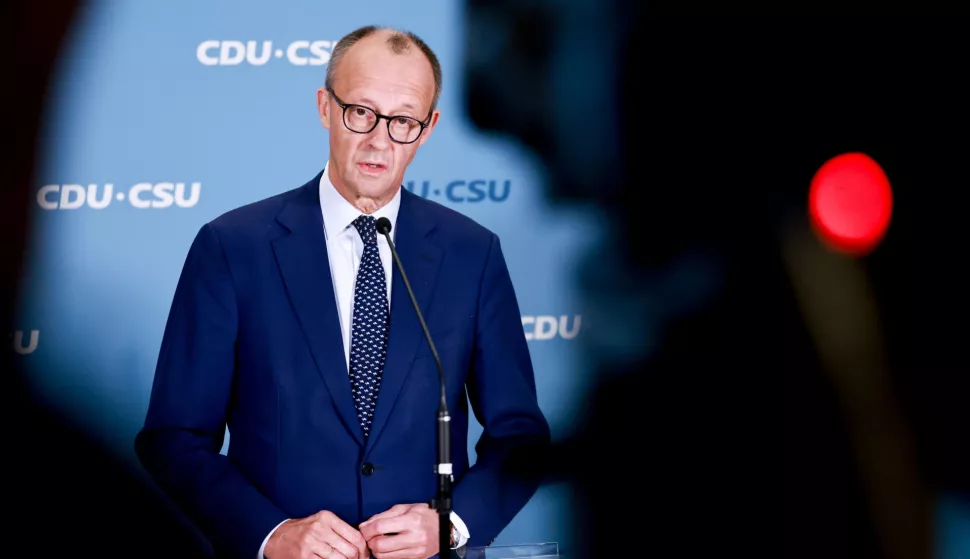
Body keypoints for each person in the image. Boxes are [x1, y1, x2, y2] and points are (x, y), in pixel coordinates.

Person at [134, 25, 550, 559]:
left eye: (403, 121)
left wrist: (454, 523)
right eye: (362, 113)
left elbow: (521, 437)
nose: (380, 140)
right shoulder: (232, 247)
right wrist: (270, 534)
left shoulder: (473, 253)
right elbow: (174, 438)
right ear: (326, 108)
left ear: (427, 130)